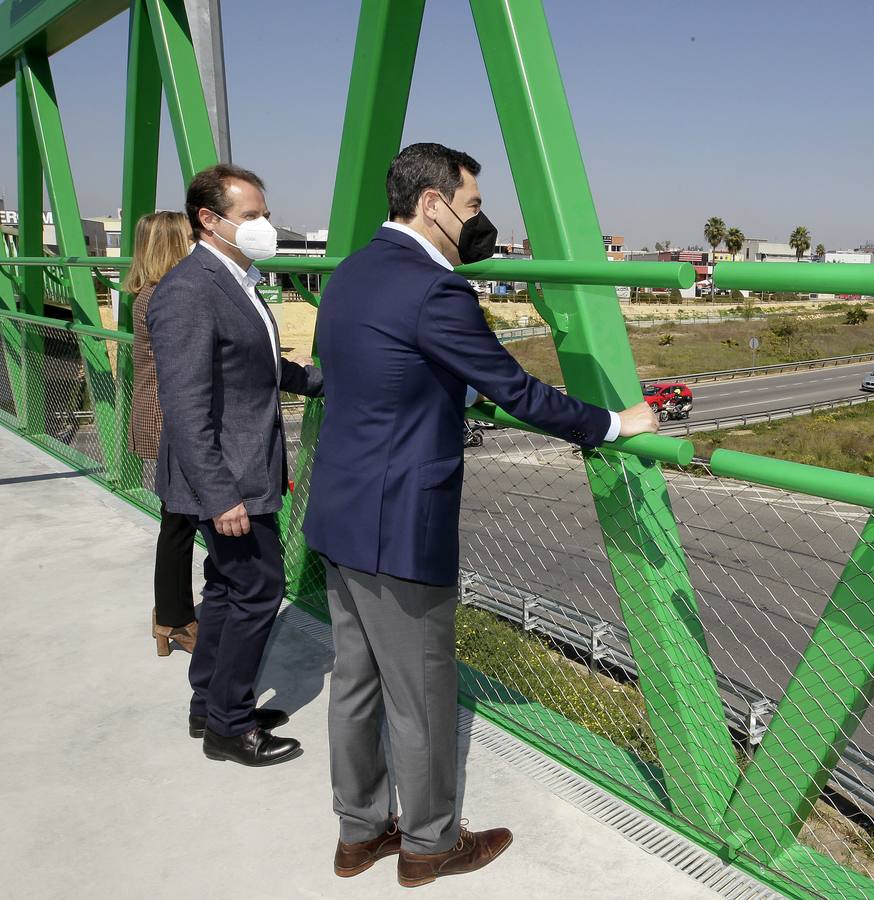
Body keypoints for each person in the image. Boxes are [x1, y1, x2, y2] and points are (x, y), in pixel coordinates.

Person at [304, 142, 657, 886]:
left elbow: (378, 370)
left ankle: (358, 833)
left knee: (356, 681)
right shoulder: (436, 292)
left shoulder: (350, 273)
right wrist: (613, 425)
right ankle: (431, 844)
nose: (476, 222)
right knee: (424, 695)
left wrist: (449, 389)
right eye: (469, 206)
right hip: (399, 525)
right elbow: (517, 389)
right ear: (431, 203)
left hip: (337, 509)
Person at [147, 163, 323, 768]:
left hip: (242, 470)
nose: (264, 225)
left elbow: (260, 367)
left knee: (226, 588)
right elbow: (187, 407)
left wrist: (325, 380)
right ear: (209, 220)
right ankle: (229, 725)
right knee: (257, 588)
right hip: (226, 479)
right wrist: (221, 496)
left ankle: (212, 704)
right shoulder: (189, 291)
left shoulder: (234, 280)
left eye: (264, 214)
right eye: (251, 216)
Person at [127, 210, 199, 657]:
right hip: (169, 417)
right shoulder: (163, 297)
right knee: (178, 524)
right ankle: (173, 618)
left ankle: (167, 617)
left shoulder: (145, 293)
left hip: (155, 413)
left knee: (177, 521)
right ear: (174, 244)